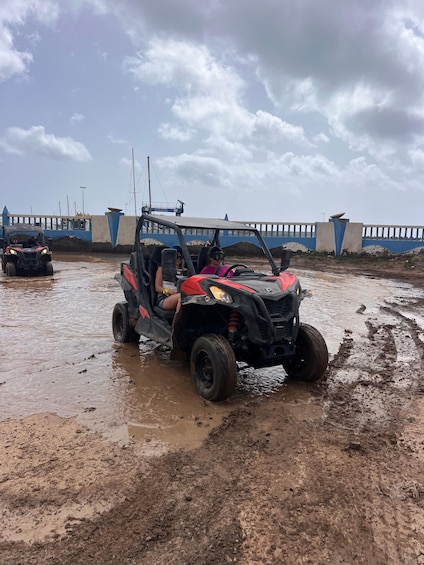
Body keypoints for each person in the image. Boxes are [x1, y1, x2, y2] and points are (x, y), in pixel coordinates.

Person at [155, 245, 183, 312]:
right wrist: (170, 291)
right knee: (181, 297)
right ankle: (178, 322)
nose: (178, 259)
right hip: (164, 298)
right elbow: (158, 288)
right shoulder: (162, 269)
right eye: (176, 257)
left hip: (181, 294)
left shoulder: (184, 270)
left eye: (180, 257)